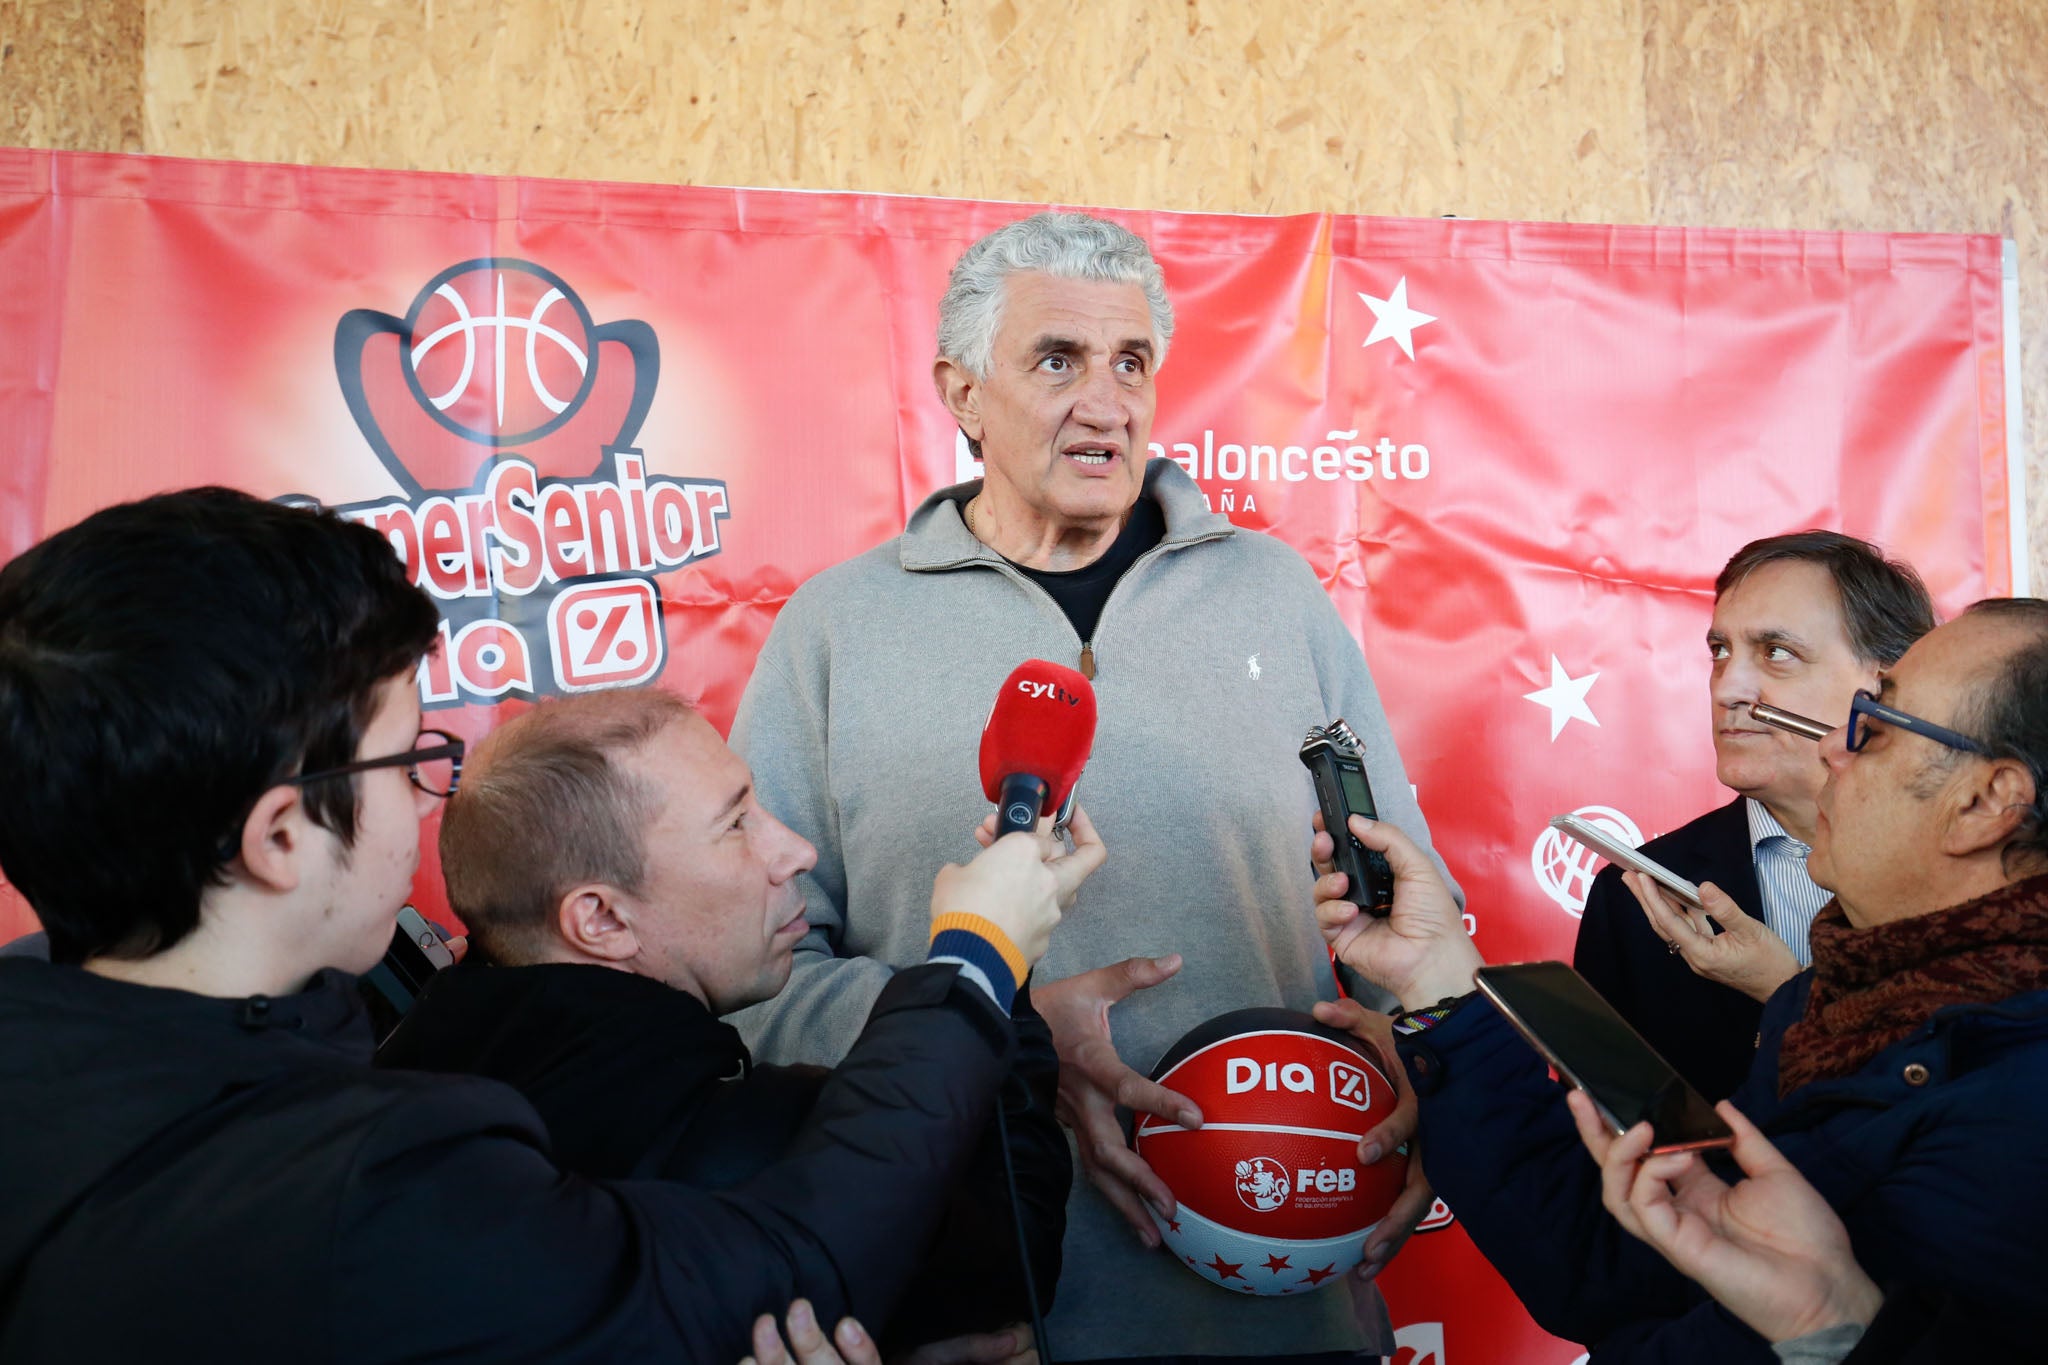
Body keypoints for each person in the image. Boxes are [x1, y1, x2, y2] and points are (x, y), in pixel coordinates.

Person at [0, 488, 1074, 1362]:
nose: (428, 805)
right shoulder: (382, 1186)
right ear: (281, 837)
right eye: (410, 760)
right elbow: (792, 1268)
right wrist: (980, 959)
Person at [728, 210, 1451, 1362]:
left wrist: (1430, 1070)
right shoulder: (834, 629)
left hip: (1279, 1309)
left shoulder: (1273, 596)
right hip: (973, 1314)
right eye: (1055, 361)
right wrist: (994, 1031)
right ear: (960, 394)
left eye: (1131, 363)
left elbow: (1409, 913)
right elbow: (750, 981)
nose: (1105, 402)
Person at [1315, 598, 2048, 1360]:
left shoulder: (2018, 1102)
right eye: (1720, 650)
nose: (1835, 747)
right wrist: (1438, 974)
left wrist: (1830, 1336)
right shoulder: (1833, 1008)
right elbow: (1610, 1268)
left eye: (1877, 726)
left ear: (1986, 802)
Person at [380, 687, 1096, 1356]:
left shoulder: (402, 1096)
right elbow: (1011, 1254)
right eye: (734, 824)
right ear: (600, 918)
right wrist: (995, 960)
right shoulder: (749, 1141)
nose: (796, 851)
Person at [1573, 532, 1934, 1099]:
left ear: (1883, 686)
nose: (1728, 689)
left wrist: (1784, 991)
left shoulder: (1981, 873)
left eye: (1777, 653)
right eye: (1720, 652)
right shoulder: (1637, 896)